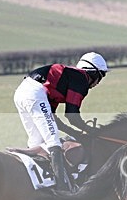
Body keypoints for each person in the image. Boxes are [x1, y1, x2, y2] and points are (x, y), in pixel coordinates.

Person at [13, 51, 108, 191]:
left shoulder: (66, 79)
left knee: (37, 142)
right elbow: (72, 115)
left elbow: (53, 119)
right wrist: (90, 130)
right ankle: (62, 188)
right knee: (53, 142)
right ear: (94, 73)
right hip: (34, 94)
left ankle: (38, 183)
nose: (98, 82)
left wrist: (74, 132)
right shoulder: (81, 79)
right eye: (101, 75)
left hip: (21, 93)